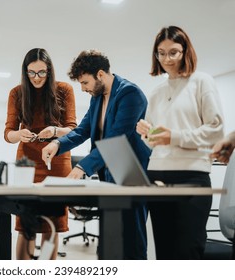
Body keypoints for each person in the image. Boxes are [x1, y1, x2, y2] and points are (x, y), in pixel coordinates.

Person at [42, 49, 151, 259]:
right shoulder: (97, 98)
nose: (83, 89)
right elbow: (83, 130)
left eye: (84, 83)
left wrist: (82, 166)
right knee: (109, 242)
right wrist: (57, 144)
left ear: (100, 74)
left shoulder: (130, 94)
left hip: (130, 175)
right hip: (108, 175)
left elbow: (116, 139)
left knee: (131, 240)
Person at [136, 26, 224, 259]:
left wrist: (173, 136)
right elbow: (154, 143)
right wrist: (146, 134)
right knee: (164, 252)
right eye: (161, 53)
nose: (167, 59)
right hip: (157, 174)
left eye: (173, 52)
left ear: (186, 51)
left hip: (191, 175)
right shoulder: (156, 92)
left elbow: (215, 130)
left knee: (188, 251)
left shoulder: (202, 82)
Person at [4, 48, 77, 260]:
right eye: (32, 73)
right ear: (25, 72)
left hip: (57, 162)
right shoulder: (17, 93)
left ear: (50, 71)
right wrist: (19, 134)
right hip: (26, 164)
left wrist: (55, 131)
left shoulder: (64, 90)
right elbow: (8, 134)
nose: (37, 78)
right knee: (26, 225)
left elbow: (73, 129)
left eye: (42, 72)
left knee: (51, 227)